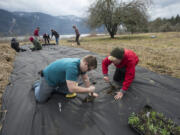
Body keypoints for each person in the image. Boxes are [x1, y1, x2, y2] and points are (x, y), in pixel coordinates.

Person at [33, 55, 98, 103]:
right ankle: (37, 85)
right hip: (49, 79)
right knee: (40, 100)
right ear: (85, 63)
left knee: (69, 91)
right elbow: (72, 89)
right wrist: (88, 89)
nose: (88, 71)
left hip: (60, 79)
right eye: (89, 69)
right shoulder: (72, 67)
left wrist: (90, 92)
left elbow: (85, 78)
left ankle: (54, 88)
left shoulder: (81, 64)